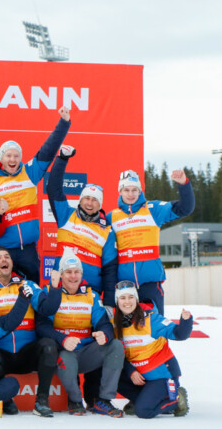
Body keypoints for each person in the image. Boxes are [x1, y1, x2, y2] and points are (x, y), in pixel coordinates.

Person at [0, 107, 71, 283]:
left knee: (33, 294)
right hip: (2, 250)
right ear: (1, 158)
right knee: (1, 293)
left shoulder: (29, 173)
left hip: (28, 250)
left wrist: (64, 122)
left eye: (16, 156)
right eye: (8, 156)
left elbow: (47, 150)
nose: (13, 160)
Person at [0, 247, 62, 416]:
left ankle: (42, 401)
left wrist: (56, 288)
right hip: (2, 354)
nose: (4, 260)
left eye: (7, 257)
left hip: (27, 353)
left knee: (49, 345)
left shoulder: (27, 285)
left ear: (12, 263)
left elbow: (47, 309)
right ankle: (5, 400)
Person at [36, 249, 125, 417]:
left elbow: (104, 324)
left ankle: (103, 400)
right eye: (68, 272)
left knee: (116, 346)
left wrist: (104, 334)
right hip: (63, 352)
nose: (73, 276)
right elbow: (42, 327)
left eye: (77, 271)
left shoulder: (91, 295)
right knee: (67, 359)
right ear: (61, 275)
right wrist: (63, 339)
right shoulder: (50, 292)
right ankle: (75, 400)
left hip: (85, 352)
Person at [107, 169, 194, 315]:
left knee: (154, 328)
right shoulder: (112, 217)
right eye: (126, 190)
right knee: (126, 331)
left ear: (140, 190)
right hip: (124, 286)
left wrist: (183, 184)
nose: (130, 194)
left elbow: (185, 208)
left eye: (134, 190)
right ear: (120, 192)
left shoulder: (153, 209)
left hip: (151, 284)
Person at [47, 146, 118, 306]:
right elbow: (53, 189)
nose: (90, 203)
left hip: (90, 295)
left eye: (95, 200)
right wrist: (62, 159)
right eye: (87, 198)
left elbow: (110, 271)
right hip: (61, 289)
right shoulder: (66, 214)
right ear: (80, 200)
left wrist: (107, 304)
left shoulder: (107, 231)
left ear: (100, 204)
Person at [113, 281, 191, 418]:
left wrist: (186, 321)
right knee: (113, 376)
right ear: (117, 301)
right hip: (142, 376)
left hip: (162, 376)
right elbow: (120, 356)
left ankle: (176, 398)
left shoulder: (150, 319)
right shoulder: (117, 325)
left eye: (131, 297)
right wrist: (131, 372)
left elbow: (180, 334)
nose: (127, 302)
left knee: (143, 411)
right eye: (122, 298)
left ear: (136, 299)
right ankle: (142, 399)